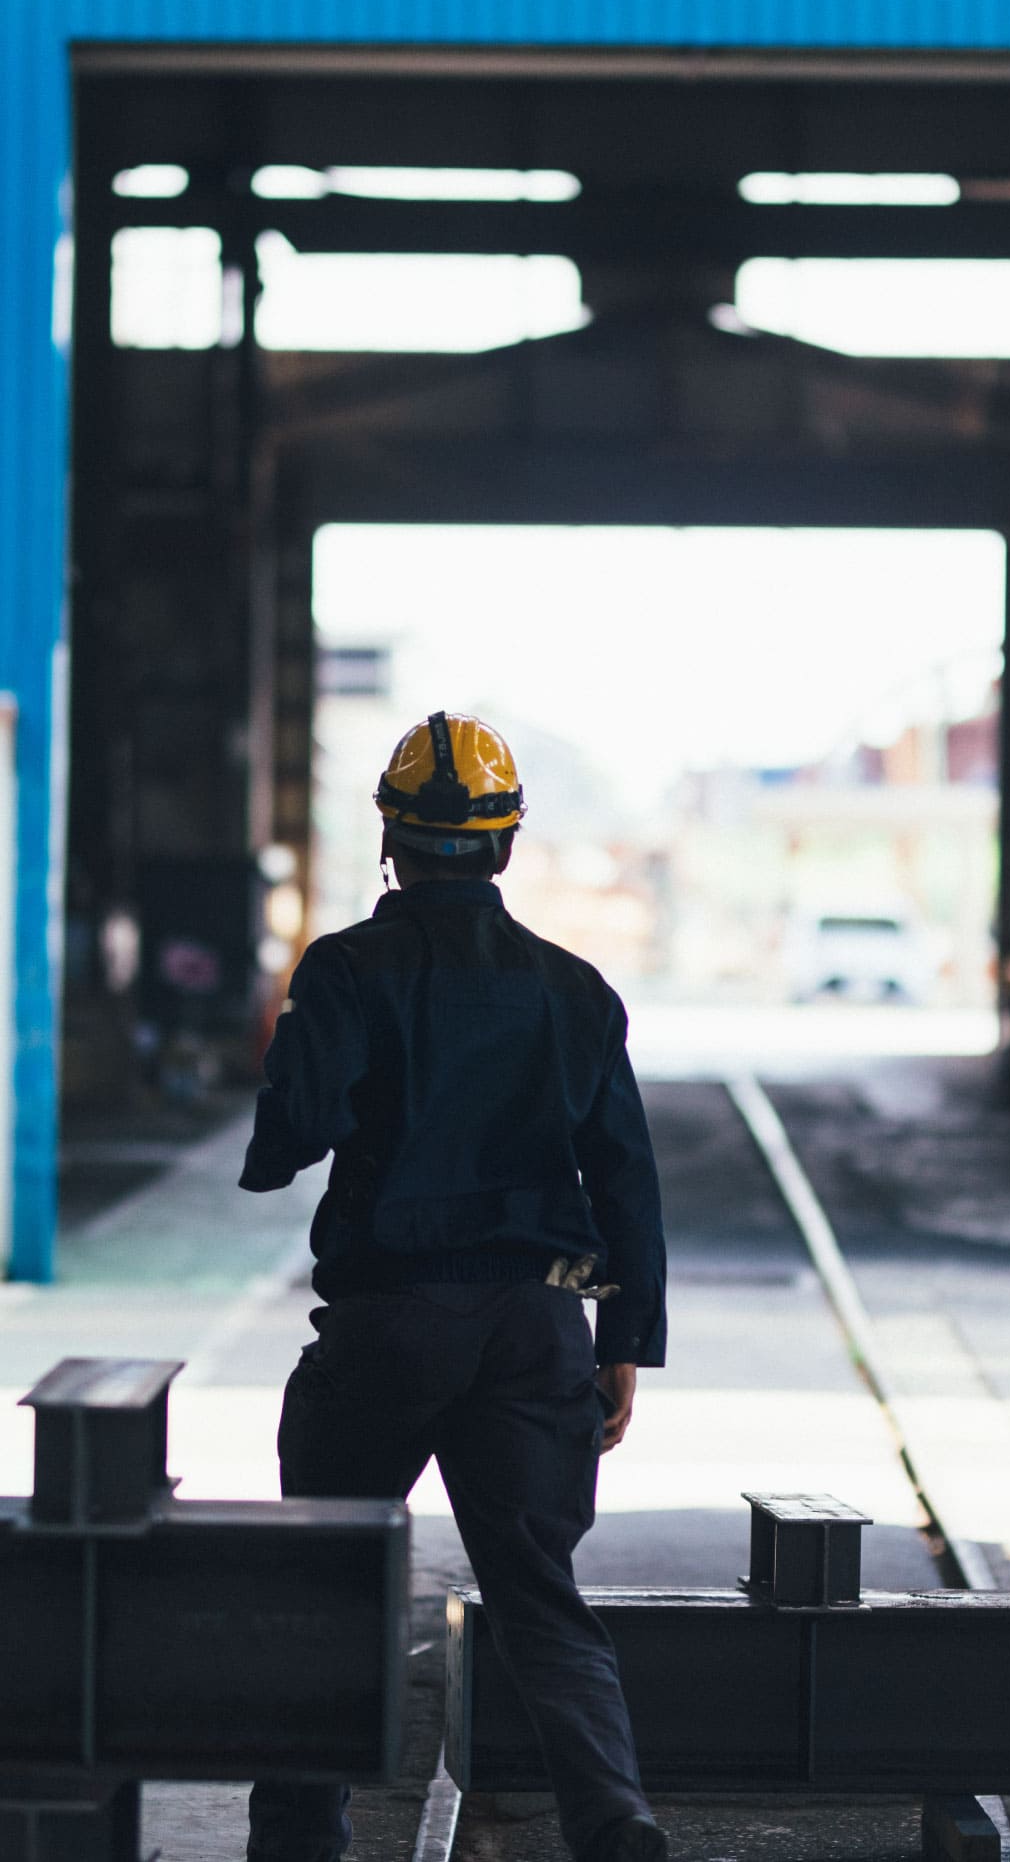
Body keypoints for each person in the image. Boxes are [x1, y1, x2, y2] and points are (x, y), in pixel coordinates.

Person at [240, 711, 668, 1862]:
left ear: (394, 839)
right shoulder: (573, 990)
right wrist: (621, 1340)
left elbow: (287, 1142)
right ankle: (612, 1814)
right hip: (539, 1328)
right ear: (506, 844)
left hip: (391, 1325)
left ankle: (299, 1841)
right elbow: (625, 1178)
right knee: (539, 1595)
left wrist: (318, 1056)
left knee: (327, 1596)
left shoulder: (345, 970)